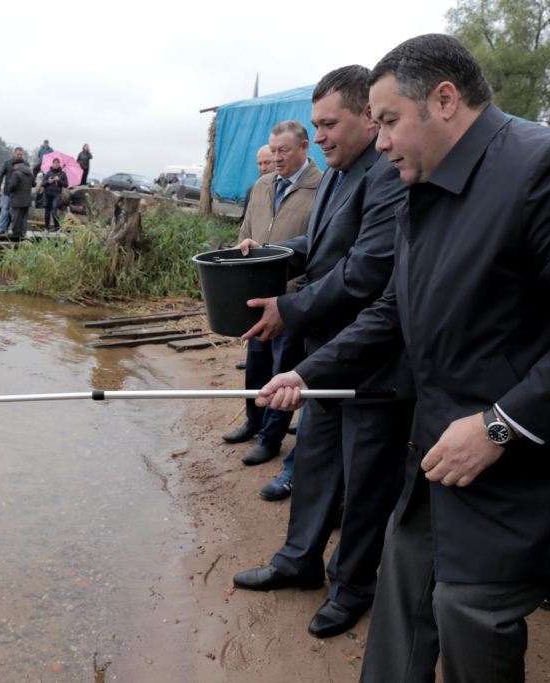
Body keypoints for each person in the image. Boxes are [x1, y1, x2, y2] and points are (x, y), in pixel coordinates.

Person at [256, 34, 550, 682]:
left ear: (444, 100)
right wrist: (307, 372)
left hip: (530, 459)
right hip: (440, 455)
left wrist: (502, 424)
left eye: (387, 121)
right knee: (400, 595)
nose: (379, 142)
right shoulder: (424, 193)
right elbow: (394, 312)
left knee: (470, 610)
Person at [231, 66, 414, 642]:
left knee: (365, 482)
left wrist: (290, 308)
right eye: (316, 125)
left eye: (329, 124)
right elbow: (321, 244)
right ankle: (298, 561)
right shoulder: (339, 172)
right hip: (325, 353)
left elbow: (366, 273)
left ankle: (352, 587)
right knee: (312, 461)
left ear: (367, 116)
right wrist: (269, 251)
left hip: (374, 361)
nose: (323, 136)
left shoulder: (385, 175)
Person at [222, 120, 321, 469]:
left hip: (293, 301)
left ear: (305, 147)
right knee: (257, 365)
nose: (277, 158)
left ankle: (270, 439)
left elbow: (321, 249)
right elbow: (246, 232)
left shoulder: (322, 187)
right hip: (258, 297)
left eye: (285, 151)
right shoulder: (262, 185)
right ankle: (253, 421)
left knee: (284, 371)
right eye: (273, 151)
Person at [237, 144, 274, 225]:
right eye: (260, 164)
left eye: (267, 163)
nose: (263, 168)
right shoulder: (252, 190)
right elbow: (245, 221)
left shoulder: (286, 189)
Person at [0, 147, 25, 235]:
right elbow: (1, 174)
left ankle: (15, 230)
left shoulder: (24, 164)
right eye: (18, 154)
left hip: (19, 192)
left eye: (21, 154)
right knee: (5, 210)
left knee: (17, 213)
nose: (19, 156)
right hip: (7, 191)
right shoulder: (7, 162)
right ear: (14, 154)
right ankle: (2, 229)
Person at [5, 157, 34, 241]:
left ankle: (15, 233)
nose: (13, 168)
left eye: (13, 166)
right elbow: (33, 184)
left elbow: (12, 186)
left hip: (17, 200)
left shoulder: (17, 174)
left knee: (16, 217)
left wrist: (9, 187)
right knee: (24, 218)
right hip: (27, 200)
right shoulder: (30, 173)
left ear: (17, 165)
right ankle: (23, 233)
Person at [42, 157, 68, 229]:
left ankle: (57, 228)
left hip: (56, 195)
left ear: (59, 164)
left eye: (57, 163)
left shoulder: (62, 174)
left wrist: (59, 180)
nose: (56, 164)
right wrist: (48, 181)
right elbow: (42, 183)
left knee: (54, 211)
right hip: (47, 194)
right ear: (52, 164)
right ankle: (46, 228)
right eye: (54, 163)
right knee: (47, 212)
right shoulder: (48, 173)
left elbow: (66, 184)